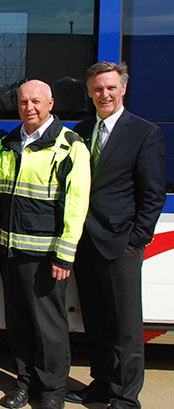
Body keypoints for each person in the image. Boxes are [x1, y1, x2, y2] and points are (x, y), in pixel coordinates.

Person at [65, 62, 166, 409]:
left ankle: (126, 397)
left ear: (123, 89)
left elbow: (153, 195)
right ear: (90, 92)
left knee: (125, 327)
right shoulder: (81, 129)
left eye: (110, 88)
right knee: (96, 321)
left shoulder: (144, 133)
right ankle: (102, 384)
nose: (103, 94)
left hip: (121, 243)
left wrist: (136, 238)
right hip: (86, 242)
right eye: (97, 89)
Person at [0, 80, 90, 409]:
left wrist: (64, 256)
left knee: (49, 326)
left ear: (51, 103)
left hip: (47, 255)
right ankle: (25, 383)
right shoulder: (9, 143)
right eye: (23, 102)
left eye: (36, 101)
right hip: (11, 252)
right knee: (19, 324)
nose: (29, 108)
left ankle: (53, 392)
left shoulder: (69, 145)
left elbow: (77, 205)